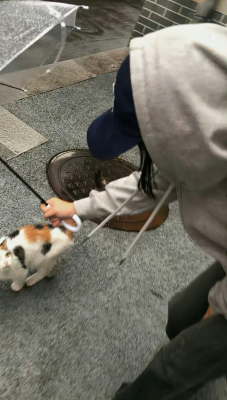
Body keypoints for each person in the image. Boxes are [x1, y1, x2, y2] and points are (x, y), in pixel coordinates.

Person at [41, 23, 227, 400]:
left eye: (149, 138)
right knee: (179, 317)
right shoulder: (197, 146)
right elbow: (152, 182)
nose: (145, 150)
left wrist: (219, 310)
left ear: (189, 129)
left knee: (167, 370)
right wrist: (76, 206)